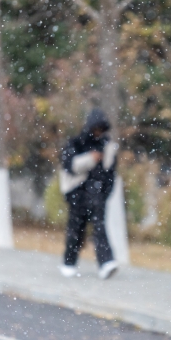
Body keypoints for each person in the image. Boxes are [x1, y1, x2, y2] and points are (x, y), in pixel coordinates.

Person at [58, 108, 118, 279]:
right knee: (75, 229)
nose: (98, 132)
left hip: (97, 194)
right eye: (96, 128)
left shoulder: (107, 145)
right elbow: (70, 166)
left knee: (99, 227)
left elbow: (110, 173)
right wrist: (90, 159)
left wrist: (104, 193)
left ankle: (106, 262)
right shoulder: (76, 143)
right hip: (77, 193)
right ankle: (69, 263)